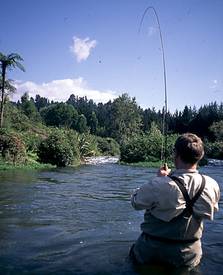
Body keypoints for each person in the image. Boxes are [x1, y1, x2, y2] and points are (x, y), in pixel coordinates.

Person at [130, 133, 220, 269]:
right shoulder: (212, 184)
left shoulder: (158, 184)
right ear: (200, 156)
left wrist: (160, 179)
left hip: (151, 252)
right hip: (189, 255)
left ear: (176, 154)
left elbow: (136, 202)